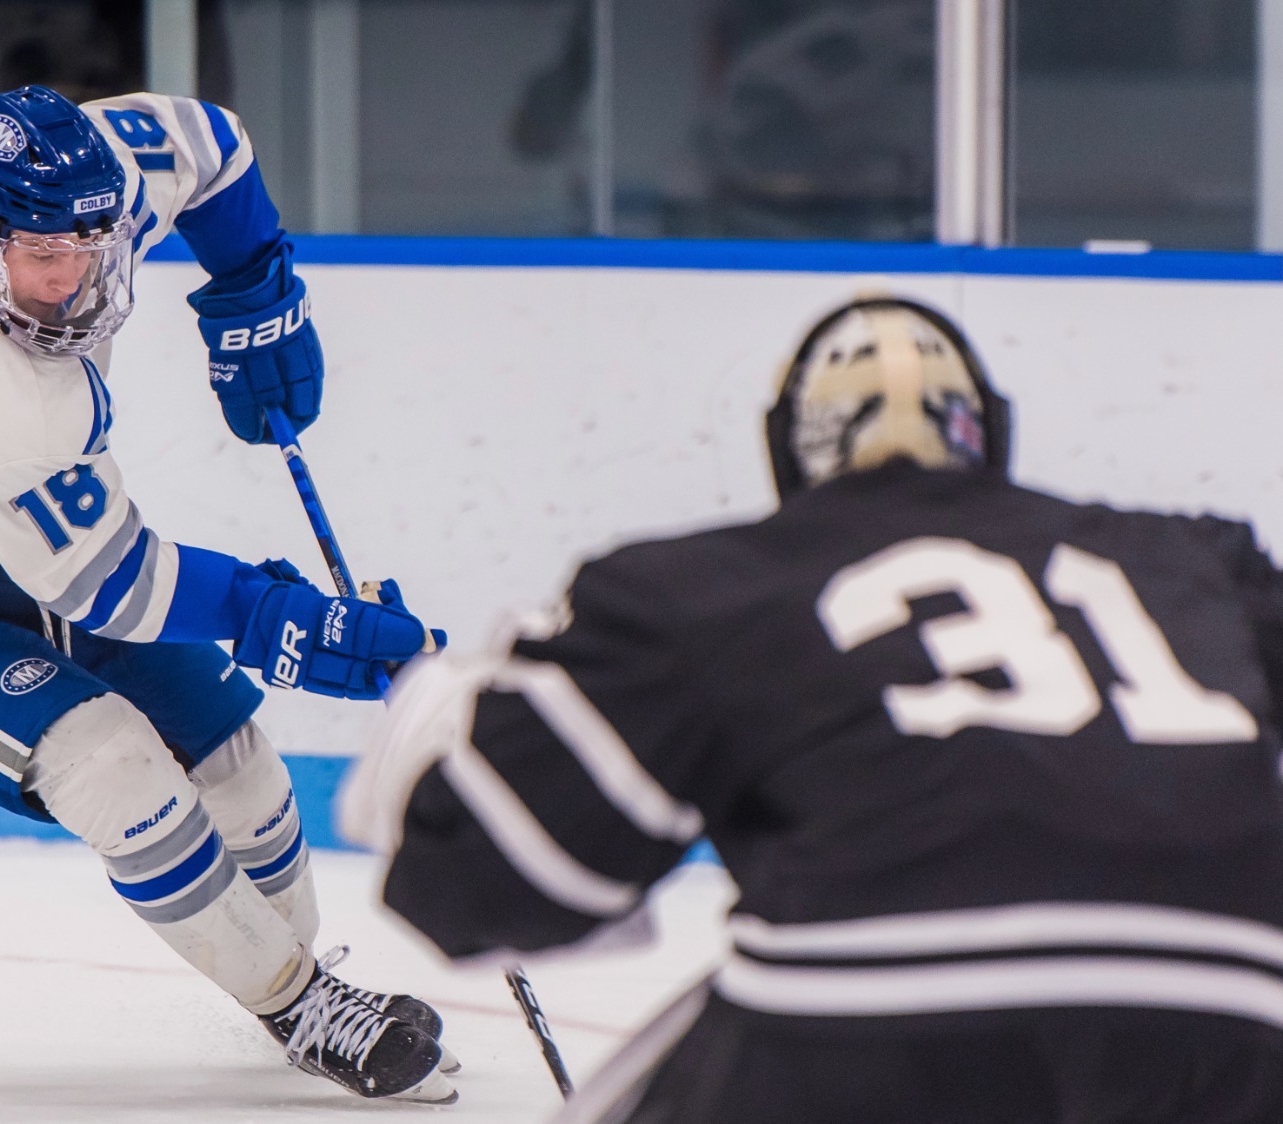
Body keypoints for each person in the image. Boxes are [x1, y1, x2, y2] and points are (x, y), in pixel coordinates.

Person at [343, 295, 1283, 1122]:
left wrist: (439, 706)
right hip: (1242, 1028)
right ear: (987, 433)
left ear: (790, 448)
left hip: (871, 1034)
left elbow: (484, 885)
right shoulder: (1200, 563)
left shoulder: (709, 586)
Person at [0, 85, 455, 1104]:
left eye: (91, 243)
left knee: (236, 758)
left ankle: (296, 977)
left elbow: (208, 145)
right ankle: (297, 1005)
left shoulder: (97, 175)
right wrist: (283, 620)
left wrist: (253, 285)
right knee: (114, 763)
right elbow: (113, 582)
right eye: (43, 254)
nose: (73, 275)